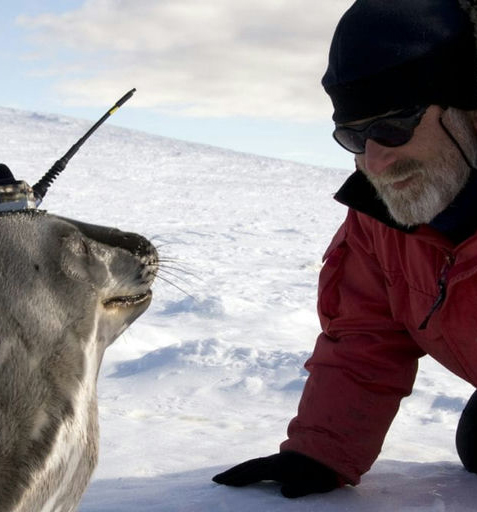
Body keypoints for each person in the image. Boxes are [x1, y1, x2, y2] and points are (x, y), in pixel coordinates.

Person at [213, 0, 477, 498]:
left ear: (465, 106)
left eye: (393, 126)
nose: (374, 161)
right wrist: (320, 452)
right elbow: (363, 338)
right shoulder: (380, 217)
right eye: (353, 136)